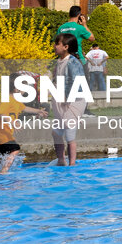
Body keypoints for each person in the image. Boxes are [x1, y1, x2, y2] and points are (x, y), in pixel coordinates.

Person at [0, 77, 47, 174]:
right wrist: (12, 122)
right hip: (2, 134)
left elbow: (24, 108)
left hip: (5, 134)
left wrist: (38, 111)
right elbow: (0, 114)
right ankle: (3, 171)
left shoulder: (15, 101)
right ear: (16, 89)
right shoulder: (7, 100)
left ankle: (3, 169)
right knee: (15, 150)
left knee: (9, 154)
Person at [52, 33, 87, 166]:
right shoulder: (60, 60)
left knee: (69, 132)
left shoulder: (73, 62)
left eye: (57, 43)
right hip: (63, 99)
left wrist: (68, 97)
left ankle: (72, 164)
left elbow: (78, 81)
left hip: (74, 101)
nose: (55, 46)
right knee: (56, 133)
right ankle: (62, 160)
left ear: (65, 47)